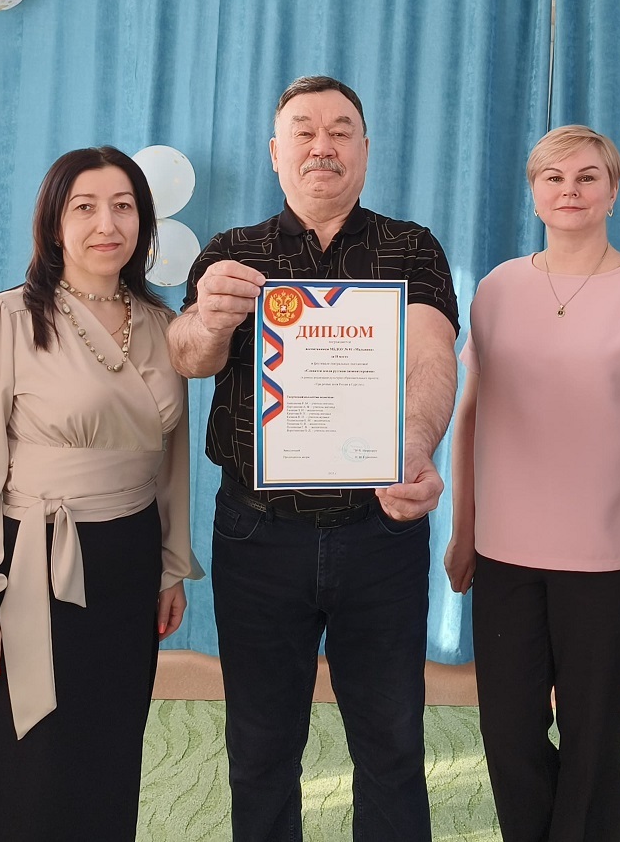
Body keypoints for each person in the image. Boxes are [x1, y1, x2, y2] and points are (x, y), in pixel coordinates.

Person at [169, 75, 459, 842]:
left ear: (364, 148)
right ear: (276, 152)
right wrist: (209, 317)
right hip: (256, 535)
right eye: (303, 130)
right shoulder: (231, 253)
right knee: (260, 746)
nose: (321, 145)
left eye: (339, 130)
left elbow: (432, 354)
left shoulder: (410, 247)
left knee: (391, 742)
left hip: (380, 530)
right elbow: (188, 355)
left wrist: (414, 445)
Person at [0, 146, 200, 841]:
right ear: (53, 223)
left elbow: (168, 462)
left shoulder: (163, 326)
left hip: (127, 563)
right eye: (85, 207)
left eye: (124, 206)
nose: (107, 223)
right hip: (29, 560)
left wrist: (170, 564)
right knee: (19, 760)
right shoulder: (6, 319)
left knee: (105, 750)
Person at [443, 125, 620, 842]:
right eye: (553, 178)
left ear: (613, 192)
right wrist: (463, 530)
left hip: (614, 557)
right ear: (533, 193)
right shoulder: (497, 288)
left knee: (594, 740)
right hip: (505, 554)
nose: (570, 190)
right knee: (508, 735)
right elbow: (470, 417)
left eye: (588, 177)